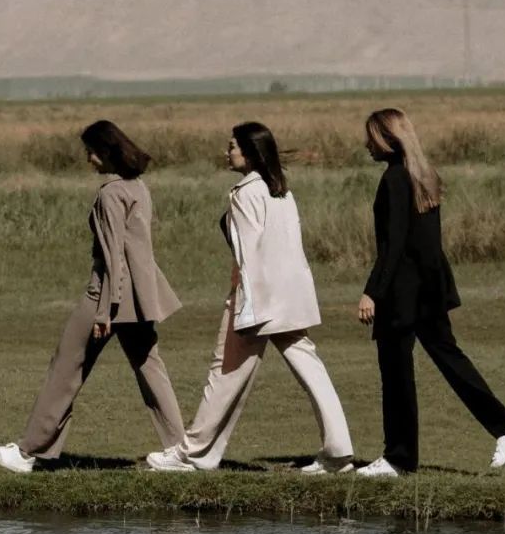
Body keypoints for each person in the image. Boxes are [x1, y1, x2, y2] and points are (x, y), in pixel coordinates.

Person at [146, 122, 354, 474]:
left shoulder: (245, 193)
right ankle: (338, 451)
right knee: (311, 369)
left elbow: (249, 255)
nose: (227, 152)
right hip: (290, 295)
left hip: (257, 299)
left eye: (232, 146)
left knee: (224, 373)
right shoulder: (281, 190)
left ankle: (192, 453)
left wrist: (245, 308)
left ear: (249, 152)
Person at [0, 121, 185, 473]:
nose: (88, 159)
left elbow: (113, 256)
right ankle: (182, 451)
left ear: (106, 151)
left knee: (66, 366)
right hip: (138, 293)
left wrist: (105, 310)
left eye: (91, 152)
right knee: (150, 367)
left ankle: (29, 452)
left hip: (106, 291)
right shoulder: (138, 187)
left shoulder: (110, 194)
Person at [355, 107, 505, 477]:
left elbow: (394, 244)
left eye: (371, 137)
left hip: (403, 291)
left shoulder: (395, 179)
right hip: (428, 286)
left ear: (387, 138)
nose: (366, 144)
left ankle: (399, 458)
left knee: (396, 370)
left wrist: (373, 292)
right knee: (450, 358)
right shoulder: (424, 174)